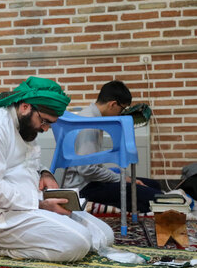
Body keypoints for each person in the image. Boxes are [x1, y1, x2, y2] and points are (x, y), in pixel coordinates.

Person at [0, 76, 115, 262]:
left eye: (50, 124)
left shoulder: (24, 125)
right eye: (44, 121)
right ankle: (2, 247)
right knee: (80, 243)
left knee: (105, 236)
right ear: (26, 107)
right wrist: (41, 204)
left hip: (31, 204)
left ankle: (42, 238)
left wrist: (44, 173)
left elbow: (28, 162)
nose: (45, 129)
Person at [62, 80, 162, 212]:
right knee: (152, 196)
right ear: (113, 104)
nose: (120, 114)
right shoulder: (90, 123)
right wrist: (122, 179)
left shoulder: (94, 117)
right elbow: (86, 169)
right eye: (121, 109)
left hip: (91, 181)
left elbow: (92, 164)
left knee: (153, 185)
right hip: (84, 188)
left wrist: (121, 178)